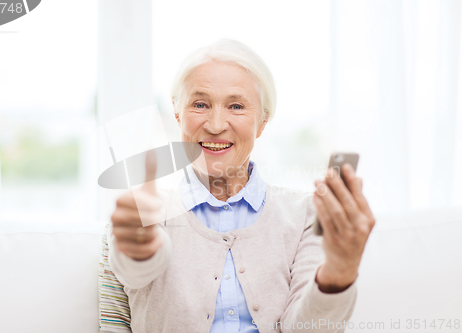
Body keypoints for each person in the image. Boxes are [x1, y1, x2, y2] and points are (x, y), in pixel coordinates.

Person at [107, 39, 375, 332]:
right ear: (177, 113)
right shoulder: (142, 211)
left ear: (262, 122)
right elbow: (134, 271)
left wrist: (339, 271)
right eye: (200, 104)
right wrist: (140, 249)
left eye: (236, 106)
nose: (216, 124)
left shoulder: (307, 215)